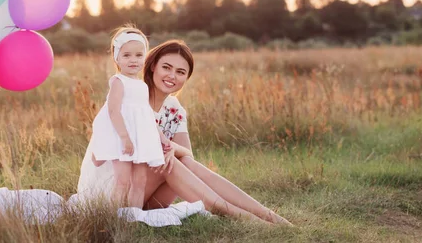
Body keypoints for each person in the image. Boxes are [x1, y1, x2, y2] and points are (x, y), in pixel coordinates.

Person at [78, 39, 292, 225]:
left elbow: (188, 155)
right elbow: (102, 153)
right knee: (165, 160)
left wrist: (170, 148)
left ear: (186, 78)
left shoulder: (174, 108)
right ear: (152, 66)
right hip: (112, 191)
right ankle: (241, 216)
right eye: (166, 67)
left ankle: (266, 214)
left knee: (178, 160)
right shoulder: (127, 99)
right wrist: (163, 151)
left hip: (145, 194)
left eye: (180, 72)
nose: (172, 76)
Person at [89, 26, 170, 209]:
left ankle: (134, 215)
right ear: (117, 58)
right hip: (123, 138)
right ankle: (114, 217)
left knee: (140, 180)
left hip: (140, 139)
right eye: (126, 55)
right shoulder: (119, 82)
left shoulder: (142, 85)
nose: (133, 60)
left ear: (145, 57)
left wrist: (162, 137)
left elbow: (147, 115)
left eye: (138, 55)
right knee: (123, 181)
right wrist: (124, 137)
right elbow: (113, 111)